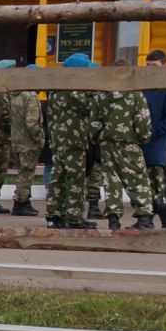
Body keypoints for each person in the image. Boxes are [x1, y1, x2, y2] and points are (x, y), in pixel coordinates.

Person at [45, 56, 102, 230]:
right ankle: (74, 217)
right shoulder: (75, 90)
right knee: (75, 179)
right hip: (74, 141)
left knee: (58, 178)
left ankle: (54, 215)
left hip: (59, 141)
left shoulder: (56, 90)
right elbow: (92, 107)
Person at [96, 66, 156, 230]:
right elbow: (143, 120)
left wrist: (97, 137)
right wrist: (142, 138)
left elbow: (94, 121)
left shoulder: (102, 95)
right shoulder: (136, 94)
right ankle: (144, 218)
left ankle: (113, 219)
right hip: (129, 142)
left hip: (107, 144)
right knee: (137, 179)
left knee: (111, 181)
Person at [0, 60, 42, 217]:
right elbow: (32, 122)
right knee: (26, 173)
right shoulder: (30, 96)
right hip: (28, 141)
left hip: (17, 139)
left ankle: (22, 201)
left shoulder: (14, 95)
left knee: (22, 172)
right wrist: (39, 138)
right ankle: (21, 202)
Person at [142, 51, 166, 228]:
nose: (150, 70)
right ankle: (156, 213)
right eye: (148, 66)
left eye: (154, 66)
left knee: (154, 182)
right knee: (141, 183)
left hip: (157, 143)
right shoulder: (142, 86)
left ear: (164, 66)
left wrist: (152, 132)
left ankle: (149, 218)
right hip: (140, 141)